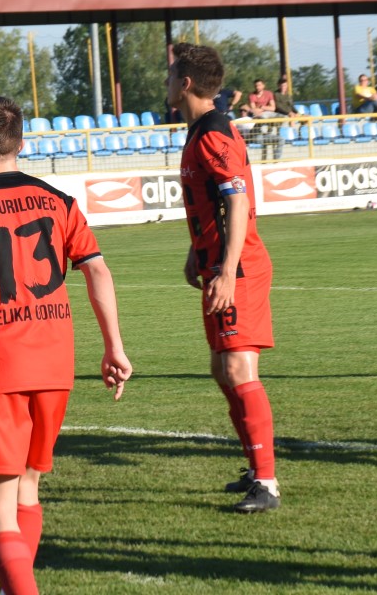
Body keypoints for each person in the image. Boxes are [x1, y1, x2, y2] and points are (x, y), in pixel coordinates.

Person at [0, 94, 130, 595]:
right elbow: (97, 270)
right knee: (28, 487)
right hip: (56, 362)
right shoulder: (59, 201)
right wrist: (114, 347)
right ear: (21, 144)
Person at [168, 43, 280, 513]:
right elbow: (214, 202)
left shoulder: (213, 134)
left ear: (186, 84)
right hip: (218, 264)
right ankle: (256, 469)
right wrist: (197, 253)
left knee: (238, 369)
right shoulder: (202, 130)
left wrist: (229, 271)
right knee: (222, 369)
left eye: (171, 75)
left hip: (239, 268)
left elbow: (236, 201)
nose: (166, 82)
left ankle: (267, 483)